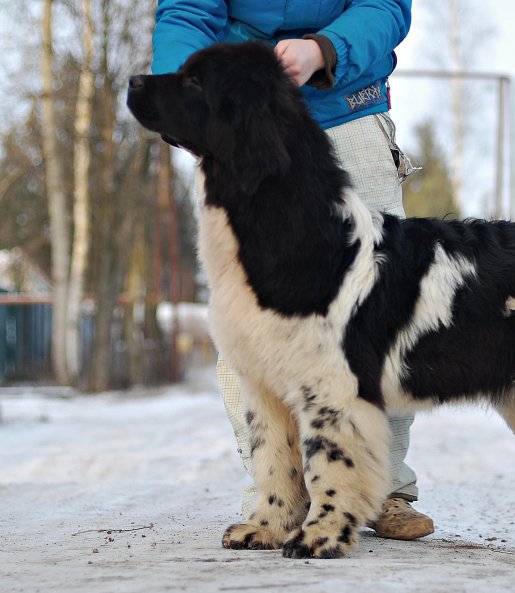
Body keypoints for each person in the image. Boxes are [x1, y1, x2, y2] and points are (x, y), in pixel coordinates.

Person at [151, 0, 433, 540]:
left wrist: (323, 50)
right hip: (238, 122)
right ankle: (278, 494)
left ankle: (382, 487)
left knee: (378, 315)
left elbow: (386, 5)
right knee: (246, 324)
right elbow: (185, 11)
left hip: (345, 106)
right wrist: (184, 101)